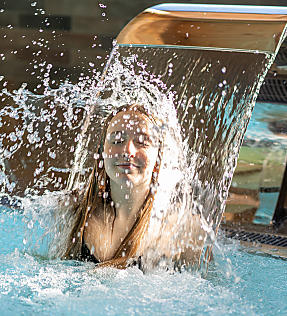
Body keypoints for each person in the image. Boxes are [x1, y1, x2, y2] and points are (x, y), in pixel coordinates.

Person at [58, 104, 164, 269]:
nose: (128, 150)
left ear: (158, 158)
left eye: (142, 142)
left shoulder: (178, 230)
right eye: (117, 140)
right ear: (102, 153)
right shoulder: (70, 212)